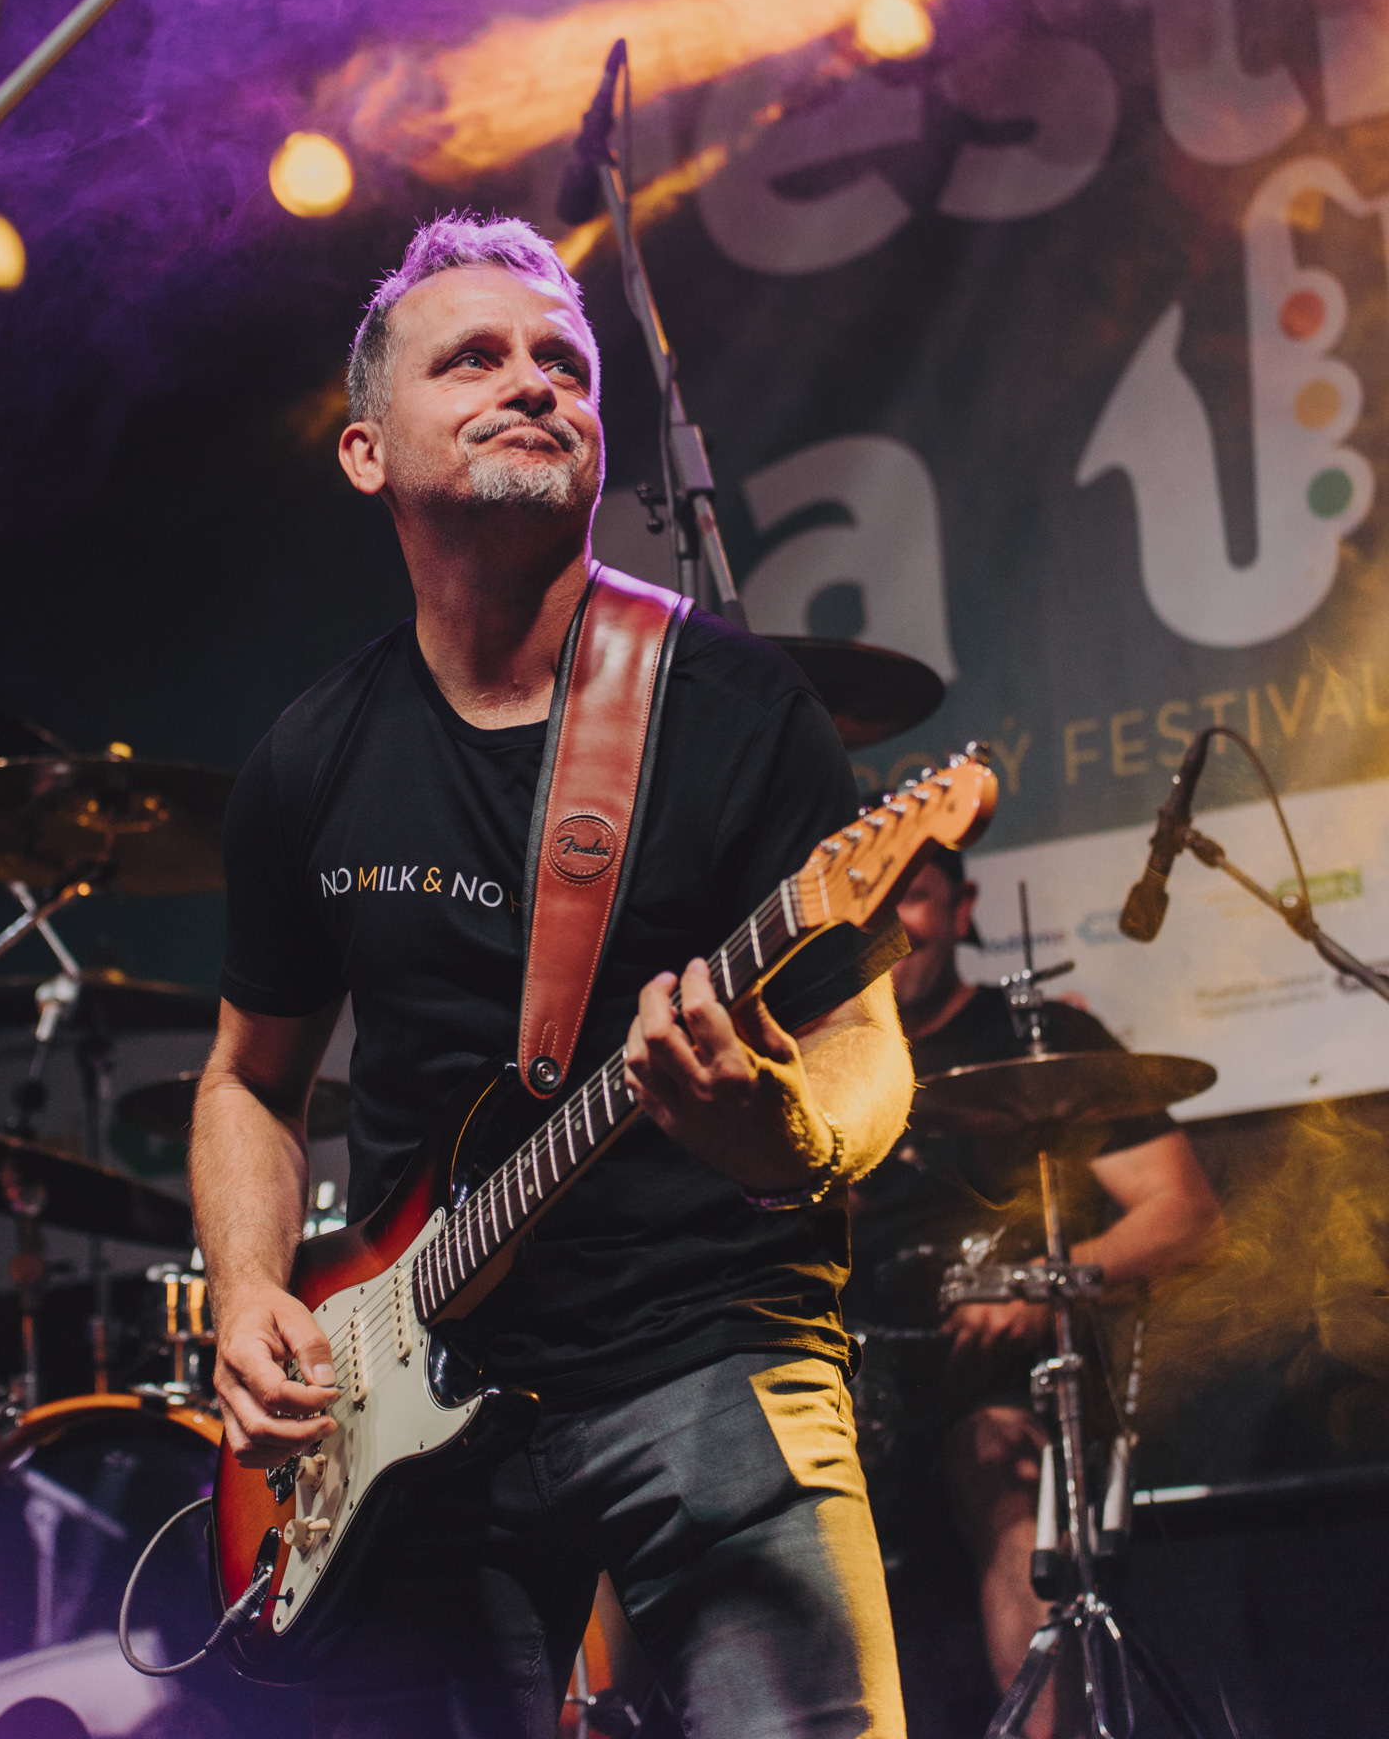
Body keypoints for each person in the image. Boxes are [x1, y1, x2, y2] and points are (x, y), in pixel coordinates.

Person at [189, 213, 919, 1739]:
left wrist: (788, 1130)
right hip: (409, 1397)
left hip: (709, 1343)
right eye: (474, 358)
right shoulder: (308, 762)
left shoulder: (735, 708)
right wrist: (252, 1292)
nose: (535, 383)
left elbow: (862, 1039)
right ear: (368, 452)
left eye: (564, 365)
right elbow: (251, 1080)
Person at [853, 848, 1222, 1738]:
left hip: (994, 1388)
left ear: (963, 907)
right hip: (851, 1381)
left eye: (915, 899)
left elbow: (1184, 1215)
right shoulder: (820, 1061)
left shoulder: (1038, 1041)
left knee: (1001, 1469)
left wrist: (1032, 1289)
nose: (892, 928)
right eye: (869, 904)